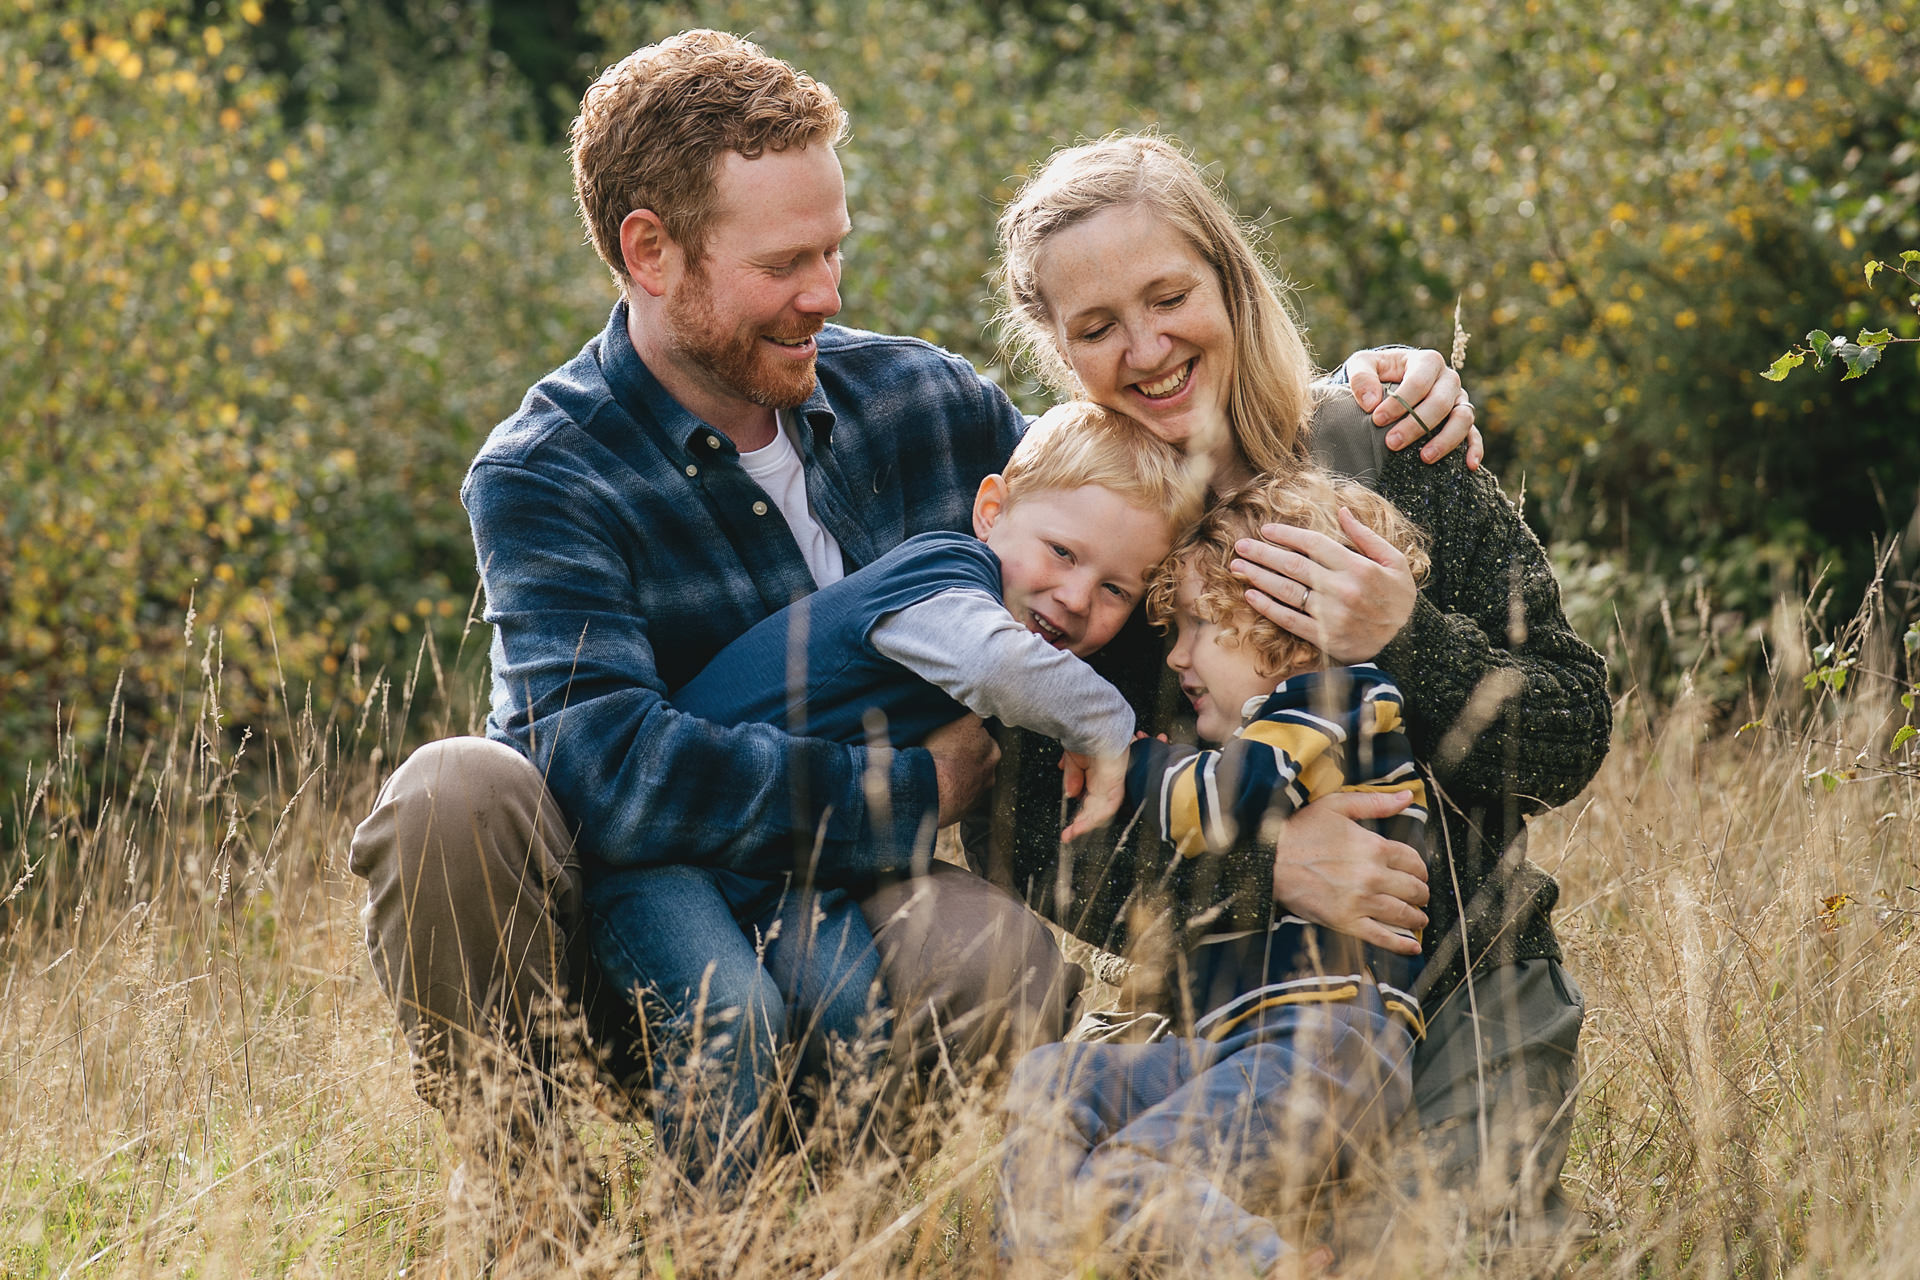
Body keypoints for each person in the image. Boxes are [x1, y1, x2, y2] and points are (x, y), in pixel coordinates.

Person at [343, 28, 1476, 1251]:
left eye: (835, 249)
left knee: (998, 959)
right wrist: (910, 788)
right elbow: (606, 771)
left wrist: (1360, 393)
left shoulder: (920, 405)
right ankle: (537, 1198)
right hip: (631, 916)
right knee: (453, 792)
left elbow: (1120, 489)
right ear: (651, 251)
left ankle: (828, 1215)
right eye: (787, 263)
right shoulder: (546, 470)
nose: (827, 294)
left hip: (838, 911)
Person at [986, 134, 1612, 1250]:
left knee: (1444, 1258)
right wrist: (1267, 859)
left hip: (1465, 978)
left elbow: (1568, 732)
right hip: (1227, 1010)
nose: (1147, 347)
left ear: (1231, 277)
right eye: (1095, 328)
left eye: (1170, 295)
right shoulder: (1085, 544)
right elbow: (1030, 828)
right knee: (1106, 1211)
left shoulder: (1384, 447)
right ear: (1058, 351)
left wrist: (1406, 639)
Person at [589, 401, 1203, 1187]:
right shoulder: (941, 576)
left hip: (787, 870)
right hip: (666, 850)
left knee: (851, 1012)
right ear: (992, 510)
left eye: (1116, 590)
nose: (1078, 598)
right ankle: (710, 1246)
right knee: (733, 1016)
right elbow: (998, 668)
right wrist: (1107, 728)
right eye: (1060, 551)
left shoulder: (1010, 610)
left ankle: (820, 1226)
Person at [999, 470, 1432, 1275]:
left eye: (1200, 625)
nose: (1177, 655)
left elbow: (1218, 807)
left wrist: (1116, 753)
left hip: (1328, 1047)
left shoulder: (1341, 698)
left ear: (1289, 626)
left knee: (1124, 1177)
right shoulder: (1283, 725)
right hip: (1246, 1046)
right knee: (1052, 1082)